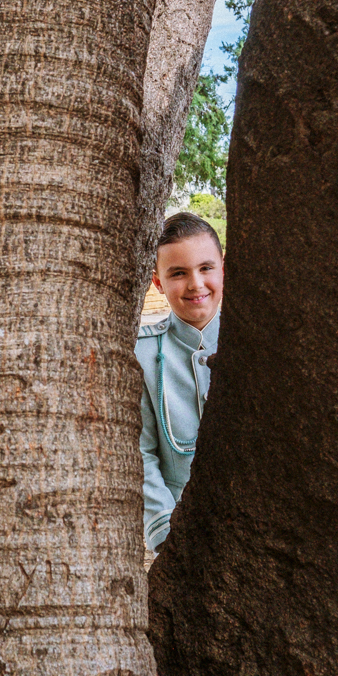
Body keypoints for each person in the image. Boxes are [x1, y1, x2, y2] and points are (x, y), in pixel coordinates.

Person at [136, 211, 224, 553]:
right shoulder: (144, 354)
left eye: (205, 268)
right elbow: (142, 456)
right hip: (183, 538)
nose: (195, 284)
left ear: (223, 268)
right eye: (178, 273)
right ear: (158, 282)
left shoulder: (256, 341)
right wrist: (168, 538)